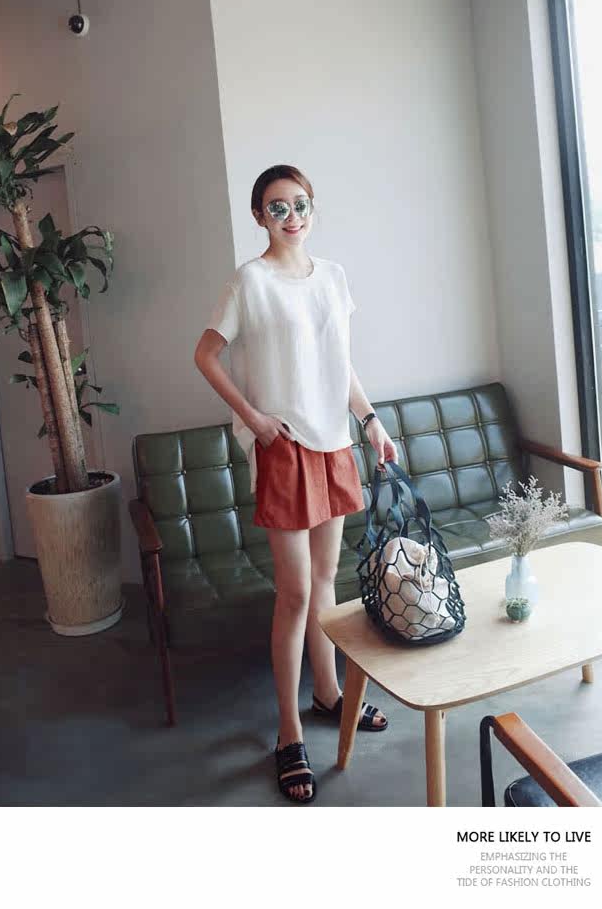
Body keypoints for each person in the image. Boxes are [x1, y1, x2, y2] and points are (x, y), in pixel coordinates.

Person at [194, 164, 398, 804]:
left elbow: (339, 363)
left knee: (326, 583)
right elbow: (205, 354)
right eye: (278, 207)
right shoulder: (249, 282)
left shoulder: (333, 277)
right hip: (284, 450)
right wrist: (254, 419)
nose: (291, 217)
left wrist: (370, 420)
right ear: (259, 215)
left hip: (335, 443)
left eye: (301, 204)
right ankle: (289, 732)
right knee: (295, 592)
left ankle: (328, 693)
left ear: (313, 209)